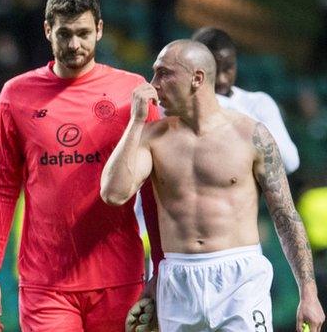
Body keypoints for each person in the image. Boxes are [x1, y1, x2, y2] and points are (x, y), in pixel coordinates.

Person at [101, 40, 325, 332]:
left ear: (197, 78)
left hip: (240, 279)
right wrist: (136, 122)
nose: (153, 84)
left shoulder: (251, 135)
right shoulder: (152, 137)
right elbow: (114, 194)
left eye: (164, 73)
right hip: (177, 280)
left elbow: (286, 217)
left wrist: (309, 293)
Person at [0, 0, 162, 331]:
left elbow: (153, 190)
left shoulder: (131, 93)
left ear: (100, 30)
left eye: (83, 33)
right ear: (48, 30)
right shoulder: (16, 95)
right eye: (64, 34)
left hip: (119, 278)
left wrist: (161, 269)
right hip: (46, 283)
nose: (74, 44)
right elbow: (1, 187)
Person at [191, 27, 300, 174]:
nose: (222, 78)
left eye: (228, 68)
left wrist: (230, 108)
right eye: (214, 70)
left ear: (236, 62)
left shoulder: (258, 103)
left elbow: (289, 163)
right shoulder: (178, 106)